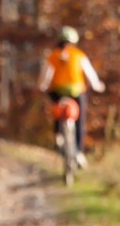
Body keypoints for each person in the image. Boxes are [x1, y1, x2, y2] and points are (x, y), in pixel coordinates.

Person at [38, 26, 105, 165]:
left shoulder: (53, 56)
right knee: (80, 119)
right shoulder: (78, 55)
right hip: (76, 91)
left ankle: (58, 135)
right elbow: (90, 73)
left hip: (57, 91)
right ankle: (79, 152)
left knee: (57, 111)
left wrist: (42, 86)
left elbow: (46, 75)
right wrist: (97, 85)